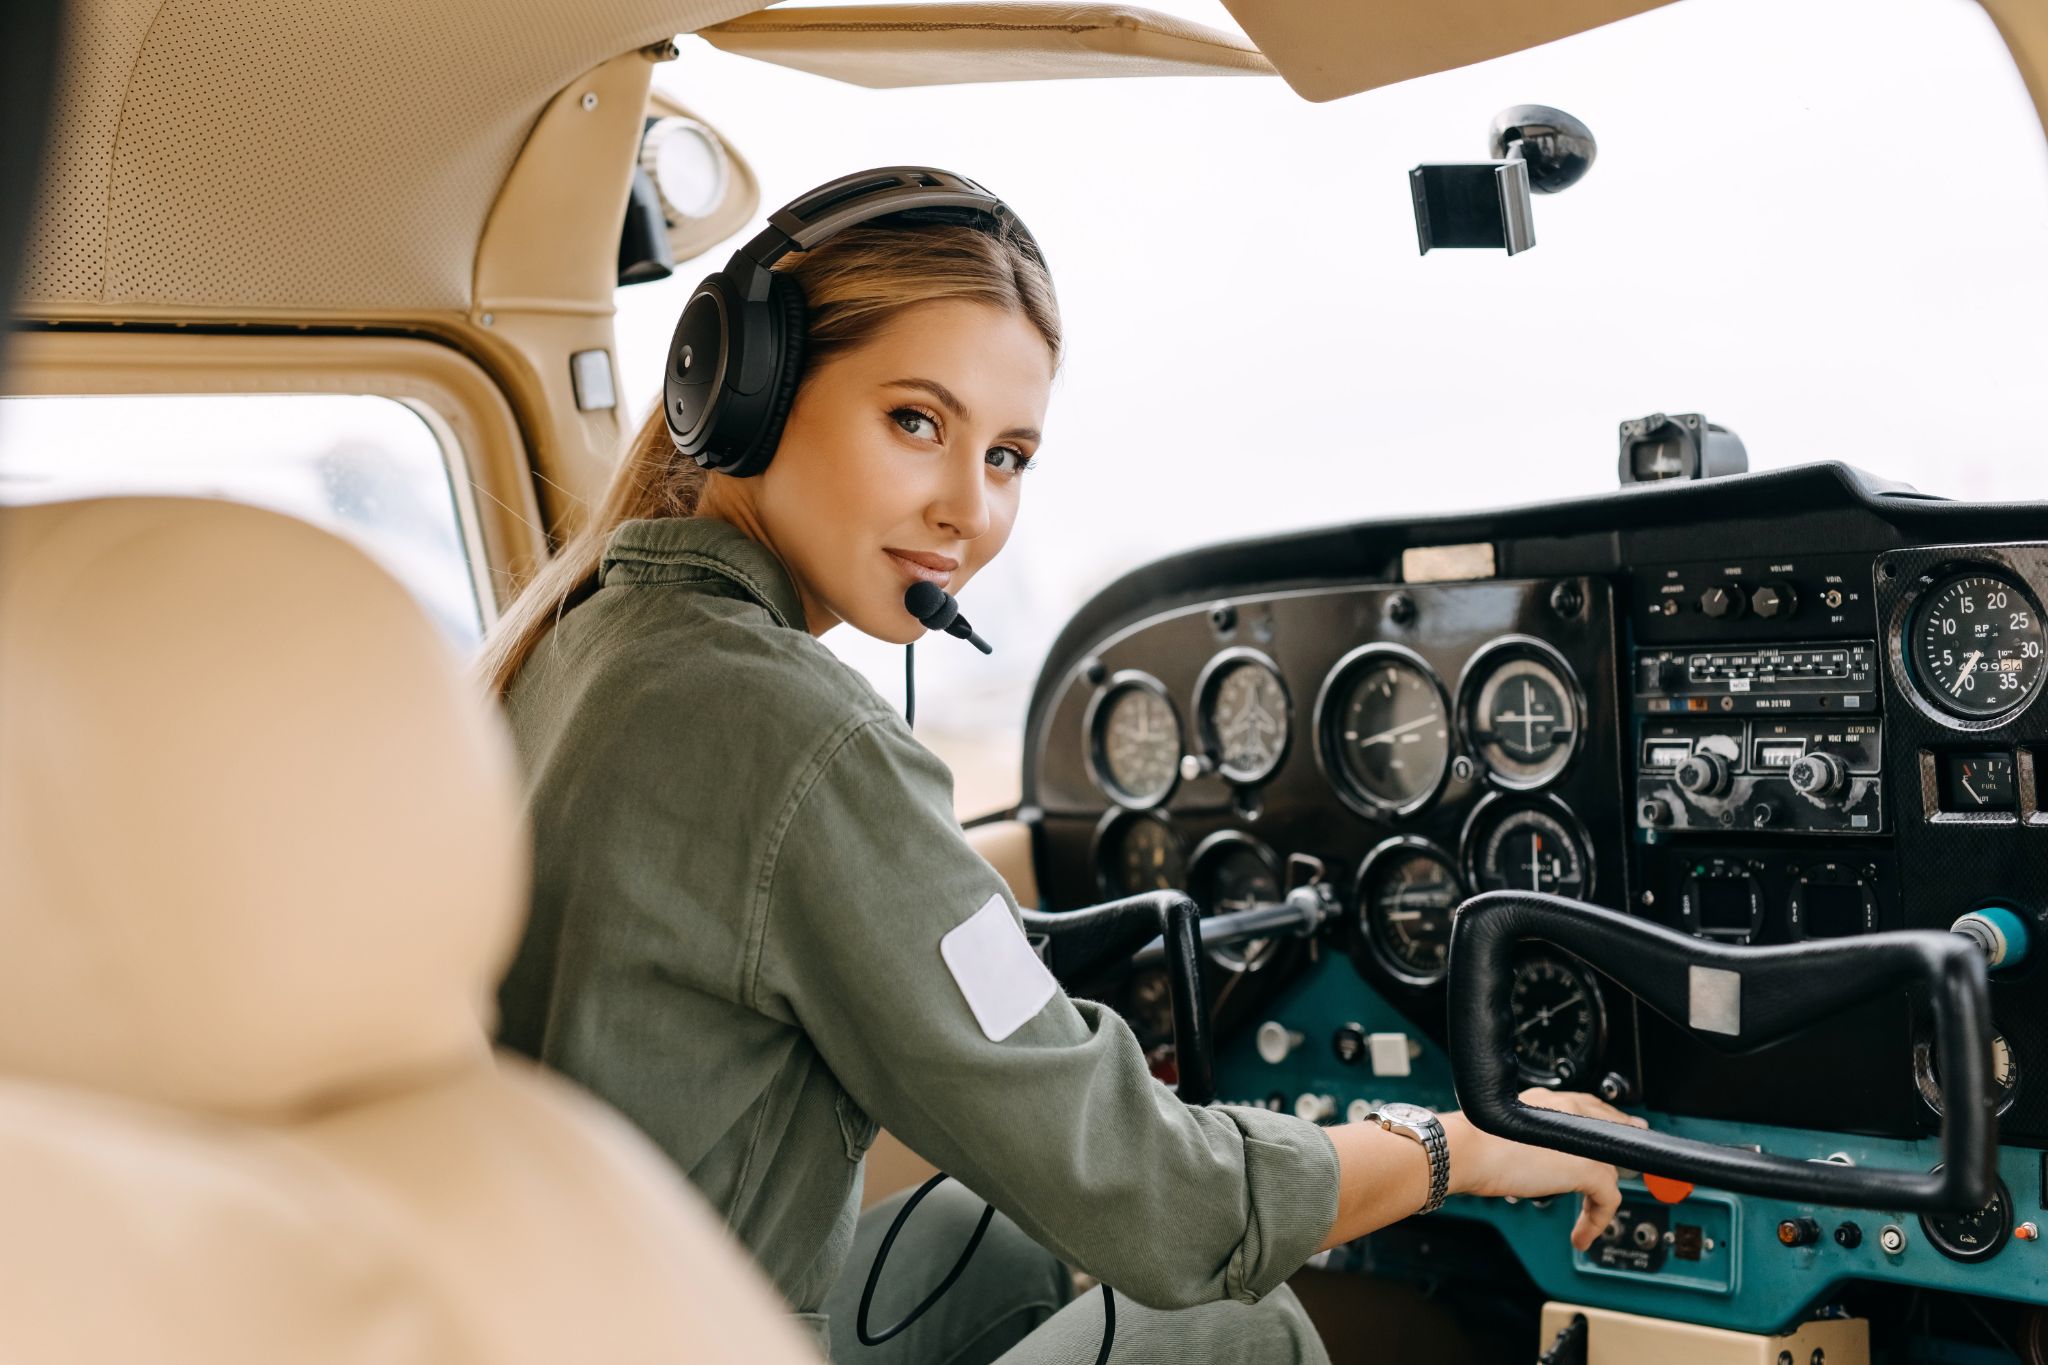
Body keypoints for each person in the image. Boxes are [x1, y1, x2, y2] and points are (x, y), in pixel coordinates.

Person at [481, 168, 1646, 1364]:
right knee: (1225, 1326)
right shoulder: (793, 734)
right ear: (745, 393)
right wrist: (1462, 1145)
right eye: (916, 422)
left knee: (998, 1234)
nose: (966, 513)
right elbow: (1167, 1209)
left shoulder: (583, 642)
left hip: (583, 1316)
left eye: (1008, 457)